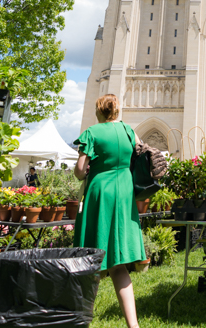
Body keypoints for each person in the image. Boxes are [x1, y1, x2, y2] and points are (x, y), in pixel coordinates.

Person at [73, 94, 144, 328]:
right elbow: (141, 153)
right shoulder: (128, 131)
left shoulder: (92, 132)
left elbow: (80, 171)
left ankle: (81, 319)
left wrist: (89, 167)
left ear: (99, 111)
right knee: (118, 263)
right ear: (116, 111)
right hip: (124, 193)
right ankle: (133, 325)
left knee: (90, 258)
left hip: (100, 192)